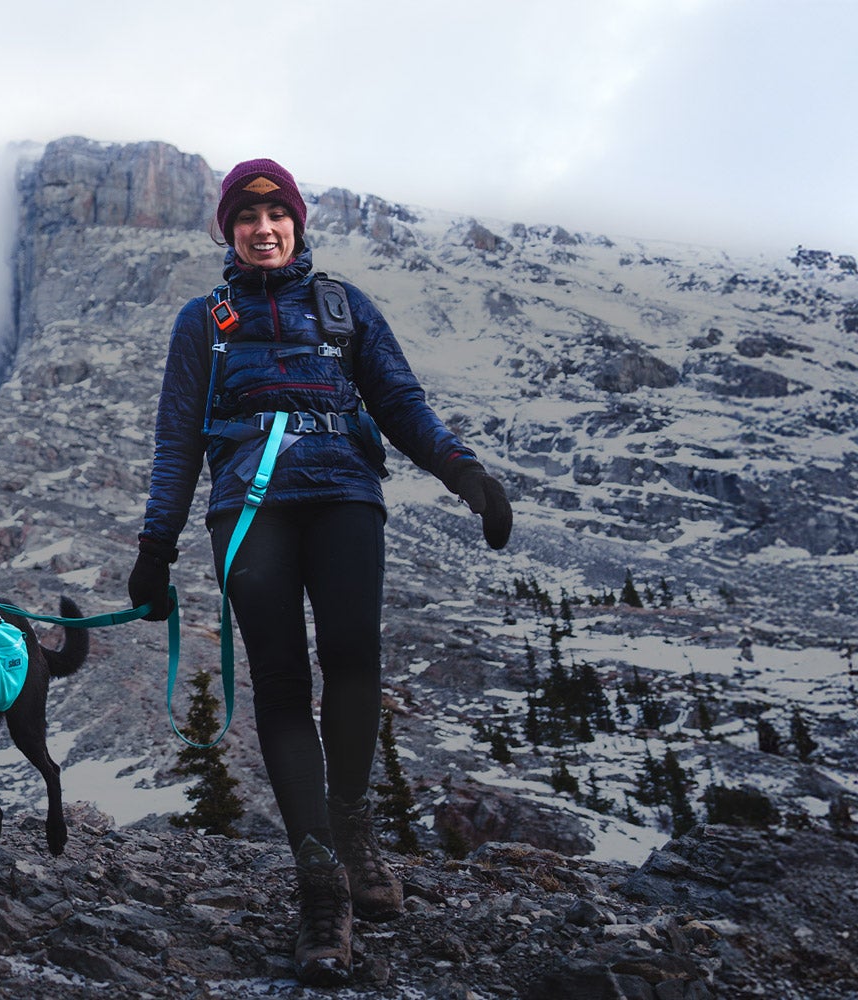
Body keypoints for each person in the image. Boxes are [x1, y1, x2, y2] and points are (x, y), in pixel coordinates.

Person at [125, 159, 511, 985]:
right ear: (227, 232)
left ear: (297, 223)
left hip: (342, 492)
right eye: (246, 217)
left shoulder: (345, 308)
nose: (263, 228)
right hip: (248, 504)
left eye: (276, 214)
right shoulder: (204, 322)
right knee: (280, 676)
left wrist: (464, 472)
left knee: (351, 654)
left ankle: (355, 830)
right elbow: (175, 443)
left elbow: (402, 401)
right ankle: (318, 883)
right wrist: (155, 546)